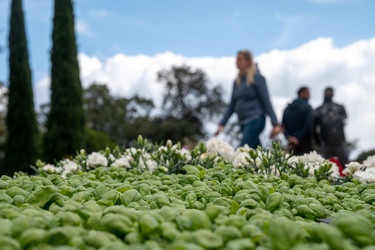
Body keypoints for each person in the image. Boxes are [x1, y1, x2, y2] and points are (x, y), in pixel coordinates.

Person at [214, 50, 282, 148]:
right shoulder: (236, 82)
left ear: (248, 61)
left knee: (242, 150)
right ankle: (270, 162)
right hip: (243, 122)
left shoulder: (257, 78)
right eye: (236, 59)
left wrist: (275, 123)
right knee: (255, 151)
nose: (237, 62)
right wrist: (222, 124)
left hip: (256, 119)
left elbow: (266, 100)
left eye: (240, 59)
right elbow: (231, 105)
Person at [314, 87, 349, 166]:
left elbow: (344, 118)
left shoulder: (339, 107)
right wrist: (318, 141)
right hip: (327, 141)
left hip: (338, 140)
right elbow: (314, 127)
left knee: (344, 165)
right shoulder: (318, 110)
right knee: (327, 166)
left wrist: (317, 141)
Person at [282, 86, 313, 155]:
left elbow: (283, 126)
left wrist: (289, 137)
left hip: (291, 144)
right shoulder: (307, 107)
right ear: (302, 93)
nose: (310, 95)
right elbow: (308, 125)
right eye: (308, 93)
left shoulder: (287, 108)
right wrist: (297, 137)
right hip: (305, 143)